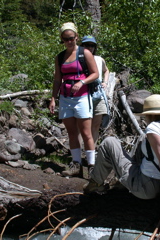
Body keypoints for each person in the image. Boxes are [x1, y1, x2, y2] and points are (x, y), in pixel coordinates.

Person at [49, 22, 99, 177]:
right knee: (71, 132)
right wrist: (53, 98)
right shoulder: (59, 57)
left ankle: (91, 166)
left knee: (86, 133)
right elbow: (57, 79)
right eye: (65, 39)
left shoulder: (85, 53)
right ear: (62, 40)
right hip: (65, 98)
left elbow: (95, 73)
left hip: (82, 97)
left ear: (76, 37)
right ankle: (76, 164)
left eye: (71, 38)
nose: (69, 41)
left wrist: (82, 82)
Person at [80, 35, 110, 145]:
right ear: (82, 46)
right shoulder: (77, 58)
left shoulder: (99, 59)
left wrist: (105, 82)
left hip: (97, 93)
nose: (90, 47)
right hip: (82, 94)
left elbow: (106, 71)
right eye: (87, 45)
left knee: (96, 124)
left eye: (92, 45)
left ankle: (91, 150)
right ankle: (80, 151)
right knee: (81, 125)